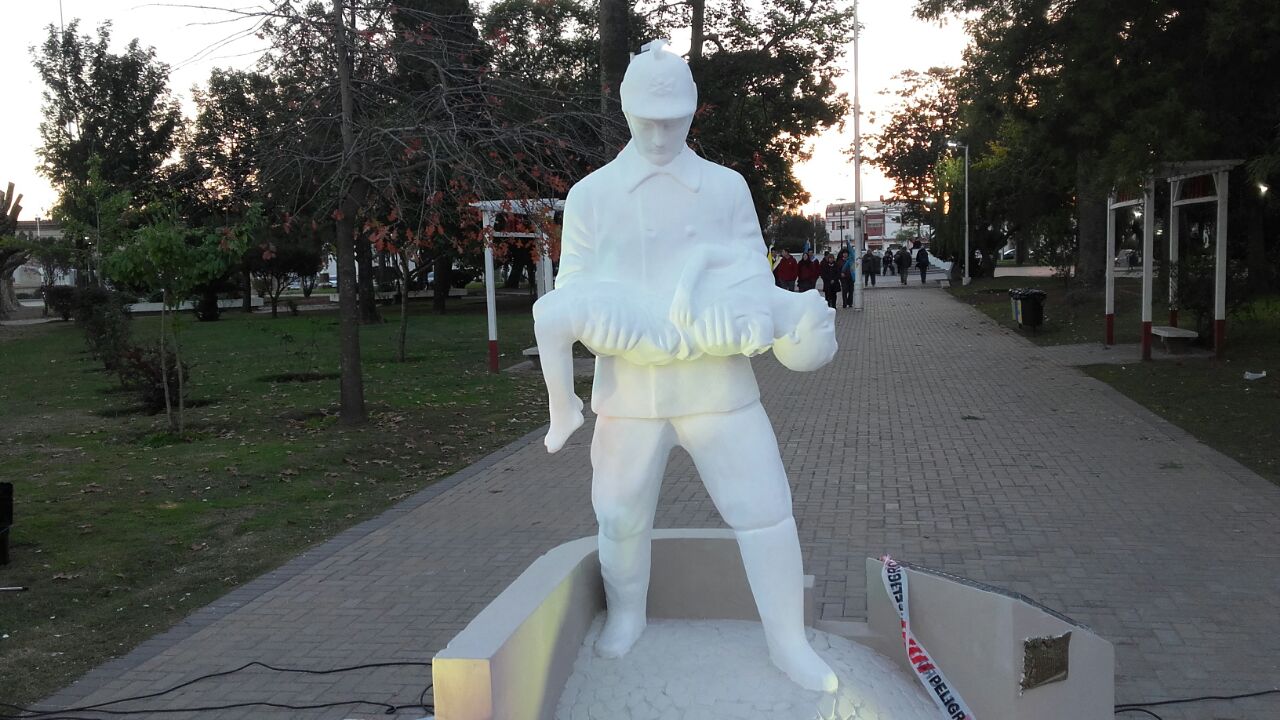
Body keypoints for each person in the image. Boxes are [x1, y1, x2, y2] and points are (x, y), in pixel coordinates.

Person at [532, 40, 837, 693]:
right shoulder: (591, 196)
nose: (660, 134)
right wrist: (606, 328)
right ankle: (628, 614)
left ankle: (788, 641)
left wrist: (746, 319)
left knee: (766, 511)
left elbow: (753, 277)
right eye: (647, 120)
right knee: (619, 517)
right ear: (626, 112)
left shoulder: (726, 188)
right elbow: (573, 288)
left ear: (693, 112)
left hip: (717, 385)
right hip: (631, 390)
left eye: (673, 120)